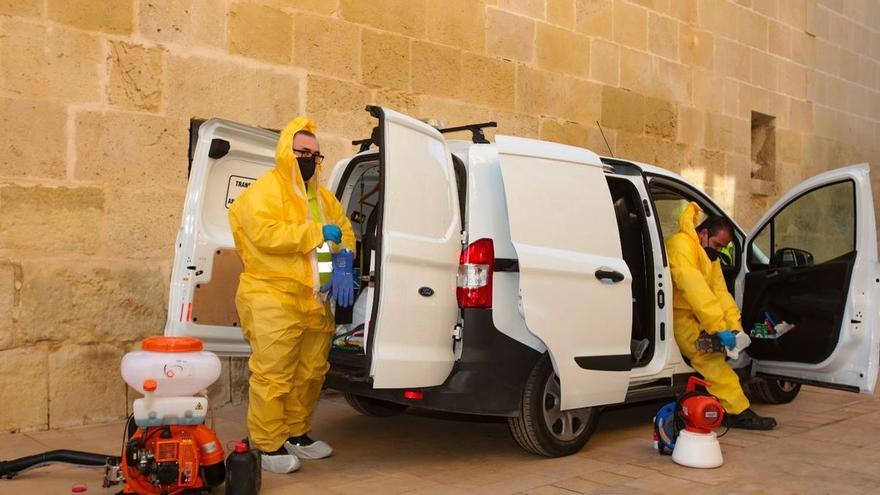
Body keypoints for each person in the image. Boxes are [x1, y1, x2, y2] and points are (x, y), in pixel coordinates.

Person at [228, 116, 356, 473]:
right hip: (273, 295)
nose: (309, 159)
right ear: (286, 151)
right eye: (302, 151)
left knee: (312, 371)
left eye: (315, 154)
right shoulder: (263, 192)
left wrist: (344, 261)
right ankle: (267, 444)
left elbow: (344, 231)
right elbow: (266, 235)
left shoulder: (323, 197)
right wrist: (315, 232)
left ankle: (296, 433)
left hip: (316, 298)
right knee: (274, 375)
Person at [666, 202, 776, 430]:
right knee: (708, 357)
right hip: (679, 317)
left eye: (723, 248)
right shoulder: (680, 246)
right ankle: (737, 411)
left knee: (717, 352)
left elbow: (720, 294)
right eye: (717, 245)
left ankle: (723, 404)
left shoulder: (709, 256)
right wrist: (717, 328)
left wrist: (734, 328)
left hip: (699, 316)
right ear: (704, 233)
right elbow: (694, 289)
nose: (718, 251)